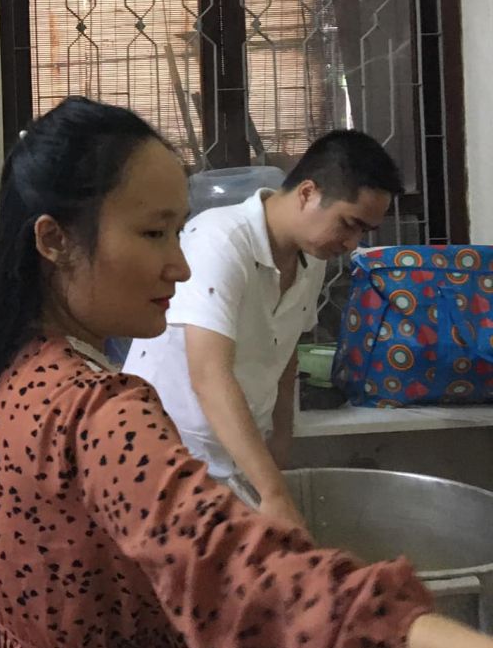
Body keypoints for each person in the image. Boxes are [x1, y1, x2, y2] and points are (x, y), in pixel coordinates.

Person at [0, 97, 493, 648]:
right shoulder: (101, 417)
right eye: (153, 233)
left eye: (179, 230)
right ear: (55, 240)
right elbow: (262, 592)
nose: (180, 264)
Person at [126, 130, 400, 530]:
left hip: (236, 457)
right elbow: (209, 375)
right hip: (166, 454)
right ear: (307, 193)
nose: (352, 243)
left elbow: (284, 354)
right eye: (348, 224)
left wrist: (280, 444)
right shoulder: (220, 240)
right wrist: (273, 493)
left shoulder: (312, 258)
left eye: (364, 232)